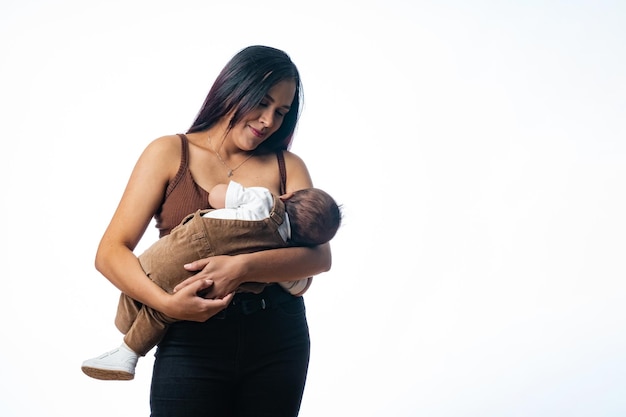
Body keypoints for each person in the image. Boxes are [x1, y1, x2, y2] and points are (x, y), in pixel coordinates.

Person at [89, 45, 333, 417]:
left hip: (278, 337)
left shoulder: (289, 166)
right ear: (234, 89)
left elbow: (318, 257)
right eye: (262, 103)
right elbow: (110, 253)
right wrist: (167, 304)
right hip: (189, 337)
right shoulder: (169, 152)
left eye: (281, 112)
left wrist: (241, 269)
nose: (268, 121)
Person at [81, 180, 341, 381]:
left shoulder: (265, 200)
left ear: (287, 196)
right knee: (162, 313)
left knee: (146, 277)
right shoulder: (286, 252)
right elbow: (298, 285)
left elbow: (217, 195)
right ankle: (128, 354)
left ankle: (124, 333)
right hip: (210, 289)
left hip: (186, 248)